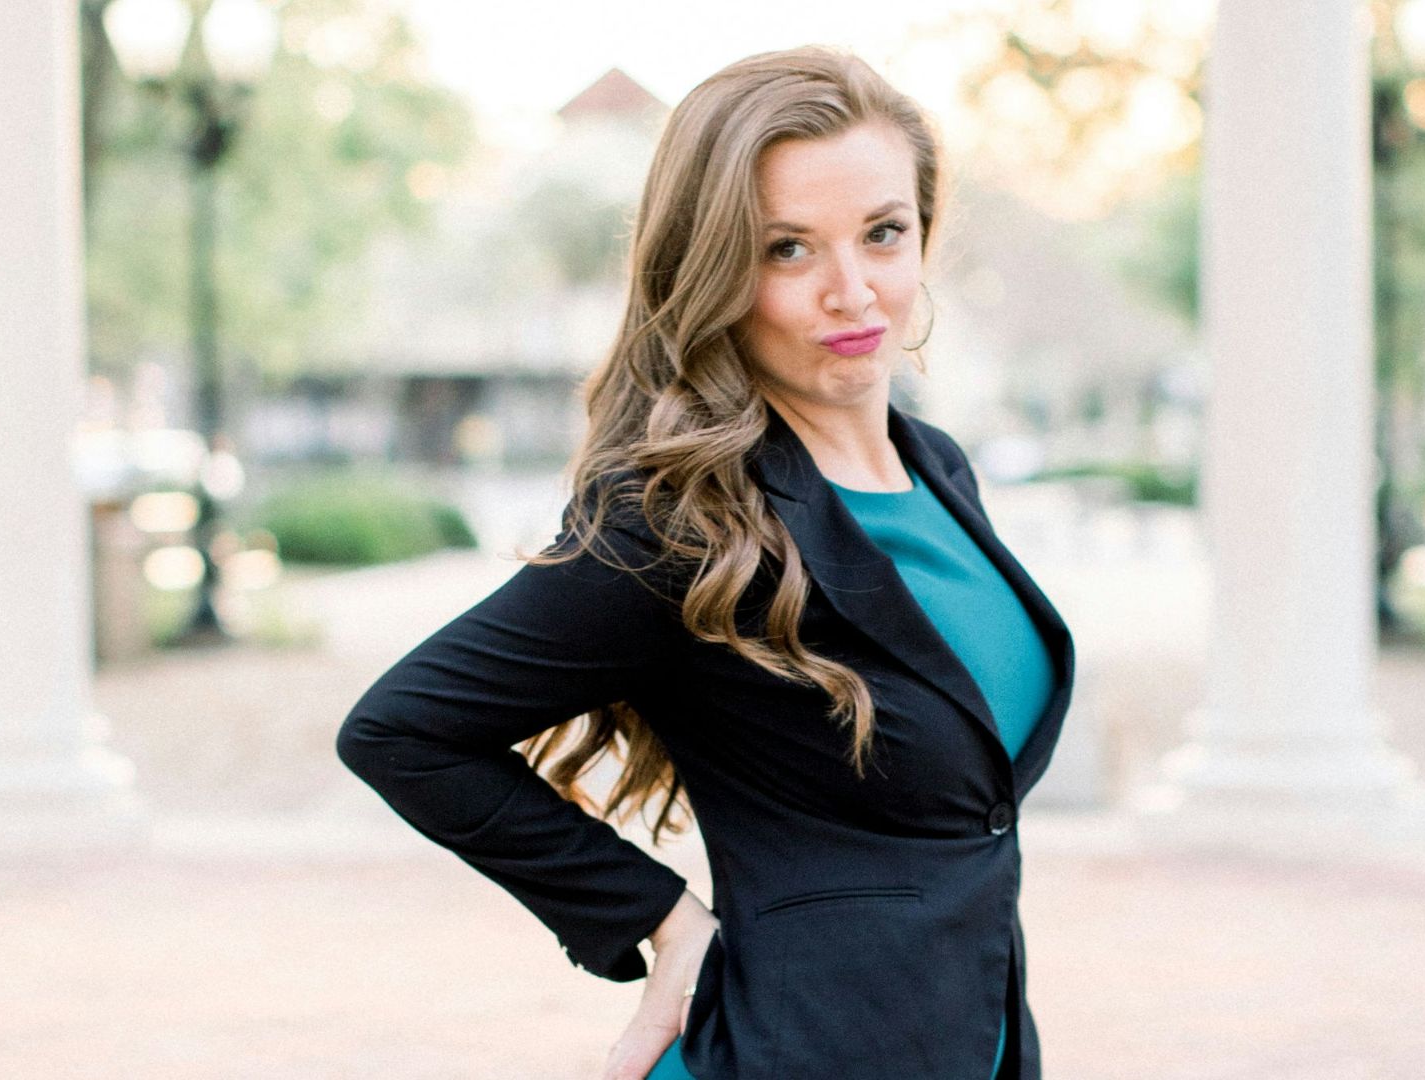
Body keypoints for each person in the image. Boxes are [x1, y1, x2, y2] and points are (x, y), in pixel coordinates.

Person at [336, 44, 1074, 1080]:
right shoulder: (680, 521)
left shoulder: (936, 466)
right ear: (716, 268)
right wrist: (657, 919)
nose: (852, 290)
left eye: (883, 233)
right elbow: (402, 731)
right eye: (787, 250)